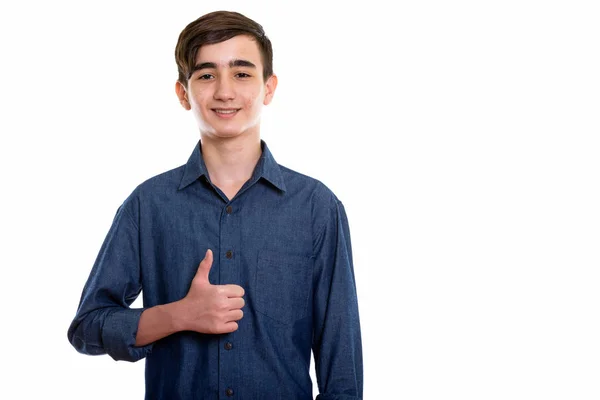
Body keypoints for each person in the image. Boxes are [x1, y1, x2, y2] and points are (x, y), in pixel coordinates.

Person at [68, 10, 362, 400]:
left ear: (268, 88)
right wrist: (179, 315)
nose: (224, 91)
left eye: (242, 73)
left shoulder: (316, 206)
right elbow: (88, 328)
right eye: (206, 75)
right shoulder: (148, 205)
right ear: (183, 93)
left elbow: (341, 366)